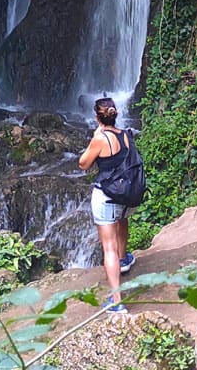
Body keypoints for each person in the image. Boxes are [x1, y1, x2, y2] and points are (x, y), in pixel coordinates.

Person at [77, 97, 137, 313]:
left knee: (108, 247)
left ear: (97, 116)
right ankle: (124, 260)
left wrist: (96, 135)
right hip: (126, 195)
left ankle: (116, 300)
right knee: (122, 221)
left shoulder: (100, 139)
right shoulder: (126, 135)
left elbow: (83, 163)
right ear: (115, 115)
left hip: (107, 195)